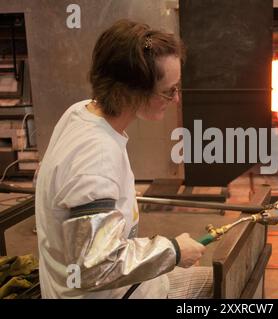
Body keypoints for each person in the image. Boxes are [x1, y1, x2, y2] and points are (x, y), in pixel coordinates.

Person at [35, 19, 212, 298]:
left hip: (111, 288)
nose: (176, 99)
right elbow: (94, 267)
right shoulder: (96, 155)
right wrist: (174, 251)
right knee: (226, 283)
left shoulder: (79, 112)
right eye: (168, 90)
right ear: (132, 90)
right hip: (108, 294)